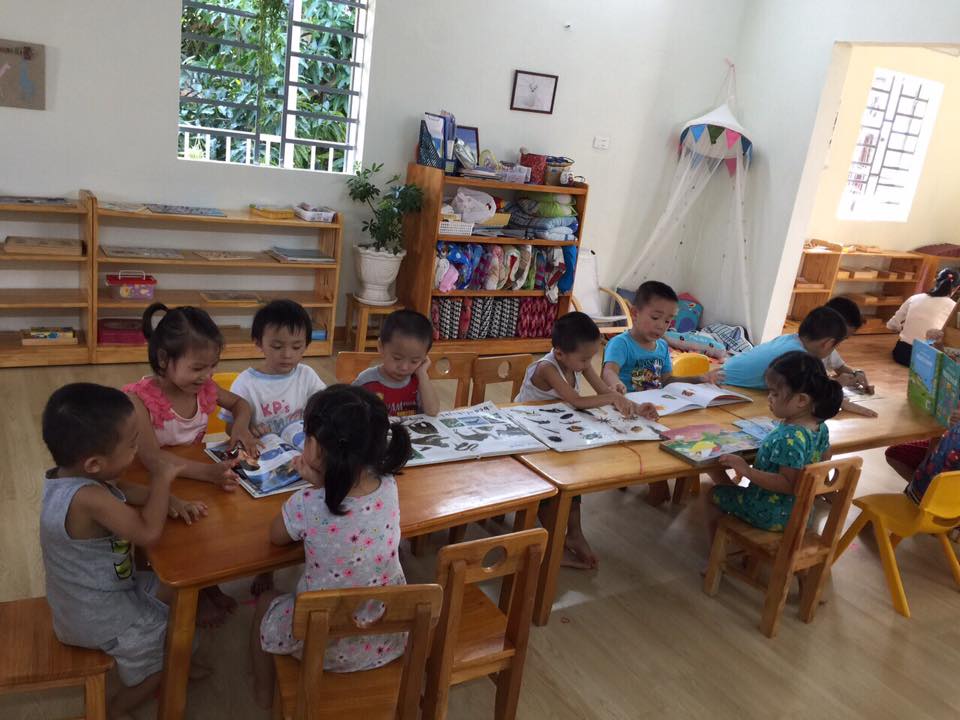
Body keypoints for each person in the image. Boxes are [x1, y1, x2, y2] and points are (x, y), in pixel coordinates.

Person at [39, 383, 207, 718]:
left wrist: (169, 500)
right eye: (132, 445)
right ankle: (115, 708)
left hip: (81, 600)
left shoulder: (67, 477)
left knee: (176, 595)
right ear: (94, 464)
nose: (137, 450)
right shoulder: (89, 499)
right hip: (99, 617)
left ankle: (173, 660)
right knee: (169, 656)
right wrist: (162, 480)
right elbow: (147, 533)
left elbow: (124, 490)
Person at [249, 385, 412, 709]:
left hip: (322, 645)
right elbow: (348, 499)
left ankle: (262, 694)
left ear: (317, 449)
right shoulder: (389, 485)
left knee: (266, 602)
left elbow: (276, 535)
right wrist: (323, 483)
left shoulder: (306, 503)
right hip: (385, 634)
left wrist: (314, 488)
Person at [123, 303, 258, 624]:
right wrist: (208, 473)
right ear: (163, 360)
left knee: (205, 530)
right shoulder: (138, 400)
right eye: (198, 368)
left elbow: (241, 404)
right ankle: (186, 594)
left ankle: (205, 586)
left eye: (212, 367)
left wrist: (240, 427)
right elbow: (153, 458)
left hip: (193, 475)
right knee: (176, 541)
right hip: (152, 484)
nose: (207, 377)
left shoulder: (205, 388)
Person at [514, 311, 658, 569]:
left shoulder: (578, 362)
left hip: (556, 431)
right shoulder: (547, 367)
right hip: (526, 433)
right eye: (584, 359)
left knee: (572, 477)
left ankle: (574, 533)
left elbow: (604, 391)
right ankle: (553, 544)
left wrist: (636, 408)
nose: (587, 363)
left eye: (591, 357)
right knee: (552, 481)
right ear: (560, 353)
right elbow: (577, 401)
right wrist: (613, 398)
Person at [221, 299, 327, 596]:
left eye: (296, 346)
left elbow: (323, 407)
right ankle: (265, 568)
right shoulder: (246, 383)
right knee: (265, 517)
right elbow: (230, 428)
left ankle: (311, 548)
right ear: (258, 343)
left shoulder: (306, 375)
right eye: (277, 346)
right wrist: (247, 429)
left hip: (303, 459)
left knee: (311, 501)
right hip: (266, 461)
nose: (287, 354)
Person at [708, 351, 842, 535]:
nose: (769, 398)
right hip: (802, 510)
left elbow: (788, 484)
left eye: (775, 393)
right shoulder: (820, 428)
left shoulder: (789, 438)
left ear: (801, 400)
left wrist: (746, 470)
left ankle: (719, 547)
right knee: (720, 477)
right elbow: (825, 457)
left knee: (712, 493)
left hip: (770, 512)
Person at [601, 281, 724, 393]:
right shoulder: (621, 343)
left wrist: (701, 378)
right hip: (626, 405)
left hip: (656, 405)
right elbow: (609, 371)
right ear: (635, 314)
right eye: (655, 318)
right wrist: (615, 383)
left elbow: (667, 380)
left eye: (667, 321)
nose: (661, 326)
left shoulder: (663, 346)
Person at [352, 309, 440, 416]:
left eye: (414, 361)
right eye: (397, 358)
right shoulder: (366, 381)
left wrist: (422, 374)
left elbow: (432, 411)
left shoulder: (419, 382)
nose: (404, 367)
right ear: (381, 347)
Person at [887, 267, 960, 366]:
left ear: (935, 281)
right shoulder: (953, 307)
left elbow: (891, 325)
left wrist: (902, 329)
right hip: (927, 358)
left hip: (901, 354)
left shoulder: (915, 298)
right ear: (957, 288)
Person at [824, 296, 873, 393]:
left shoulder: (826, 345)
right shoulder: (802, 353)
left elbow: (839, 366)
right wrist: (836, 383)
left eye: (843, 339)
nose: (838, 343)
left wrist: (855, 374)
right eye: (840, 337)